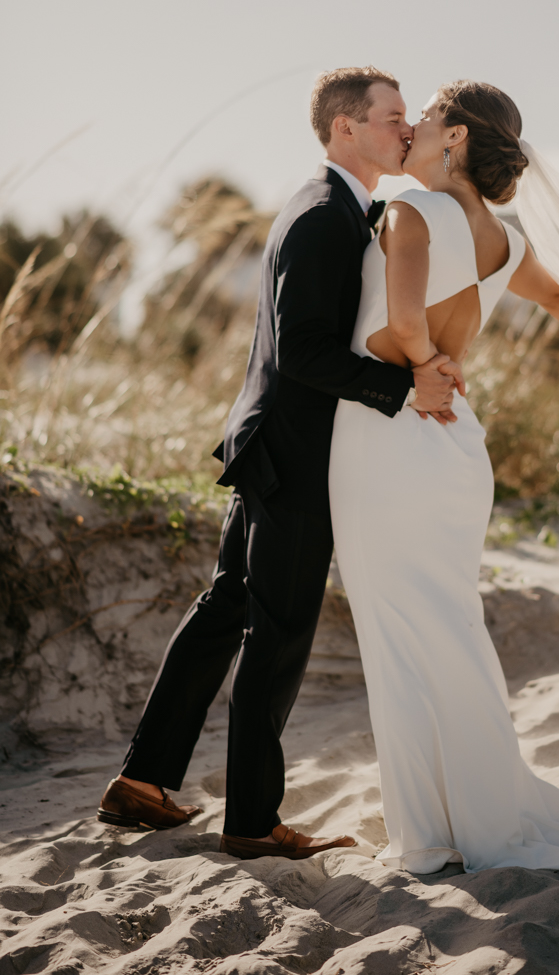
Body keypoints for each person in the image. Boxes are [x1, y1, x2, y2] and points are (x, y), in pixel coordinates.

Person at [97, 67, 462, 861]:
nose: (406, 129)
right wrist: (403, 385)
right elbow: (301, 351)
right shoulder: (328, 215)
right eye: (392, 116)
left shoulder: (327, 207)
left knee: (228, 606)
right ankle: (253, 822)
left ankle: (142, 781)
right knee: (280, 628)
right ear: (345, 129)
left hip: (273, 443)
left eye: (408, 117)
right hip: (293, 457)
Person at [329, 80, 559, 877]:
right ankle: (482, 810)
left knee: (399, 638)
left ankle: (428, 836)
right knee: (451, 629)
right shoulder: (505, 239)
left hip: (392, 435)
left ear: (457, 137)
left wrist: (424, 369)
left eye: (428, 115)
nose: (416, 126)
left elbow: (401, 324)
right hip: (457, 448)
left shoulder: (408, 213)